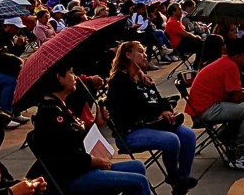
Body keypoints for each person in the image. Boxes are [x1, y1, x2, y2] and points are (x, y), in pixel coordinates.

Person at [30, 63, 154, 195]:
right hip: (71, 177)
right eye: (71, 73)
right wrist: (96, 161)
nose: (75, 77)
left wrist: (98, 122)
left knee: (138, 166)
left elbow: (75, 138)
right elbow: (66, 157)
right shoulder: (51, 114)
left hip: (83, 168)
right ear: (59, 77)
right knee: (139, 182)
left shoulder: (60, 105)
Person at [106, 42, 198, 187]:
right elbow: (136, 108)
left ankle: (183, 178)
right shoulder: (120, 81)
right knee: (172, 140)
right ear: (128, 55)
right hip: (131, 131)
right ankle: (175, 178)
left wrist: (166, 110)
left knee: (188, 135)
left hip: (154, 124)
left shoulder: (143, 78)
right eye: (140, 51)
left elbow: (159, 100)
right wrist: (159, 112)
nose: (145, 55)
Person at [185, 37, 244, 171]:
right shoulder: (231, 67)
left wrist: (240, 91)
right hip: (205, 110)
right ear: (238, 56)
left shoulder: (225, 61)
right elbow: (236, 99)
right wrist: (243, 93)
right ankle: (239, 155)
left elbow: (231, 94)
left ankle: (228, 139)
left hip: (201, 108)